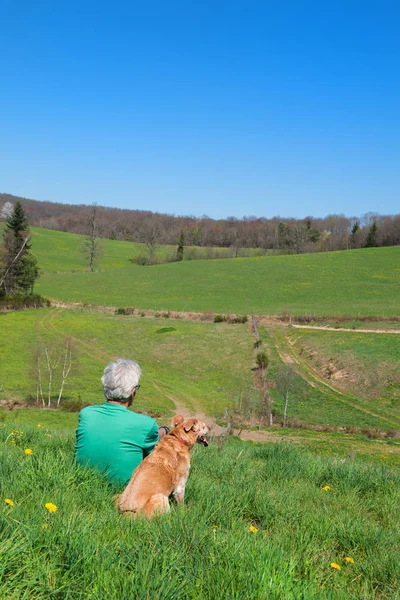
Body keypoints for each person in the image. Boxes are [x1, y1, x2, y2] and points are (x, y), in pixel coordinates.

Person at [75, 358, 169, 485]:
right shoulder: (146, 424)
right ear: (132, 391)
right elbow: (154, 455)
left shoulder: (86, 414)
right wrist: (164, 432)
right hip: (126, 493)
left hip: (82, 484)